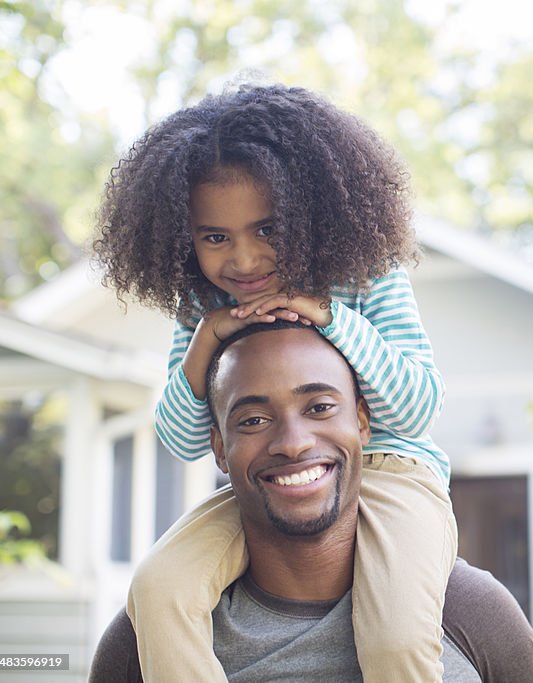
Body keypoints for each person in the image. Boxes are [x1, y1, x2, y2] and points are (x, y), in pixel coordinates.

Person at [92, 84, 454, 682]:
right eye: (215, 237)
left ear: (310, 213)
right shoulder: (206, 304)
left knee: (396, 638)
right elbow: (184, 440)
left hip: (392, 471)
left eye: (267, 230)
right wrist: (207, 338)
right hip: (264, 486)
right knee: (159, 589)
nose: (244, 259)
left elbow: (417, 408)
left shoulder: (363, 275)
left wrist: (330, 317)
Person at [88, 321, 533, 682]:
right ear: (218, 447)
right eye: (253, 420)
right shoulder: (148, 635)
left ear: (362, 421)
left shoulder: (464, 610)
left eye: (319, 408)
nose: (293, 443)